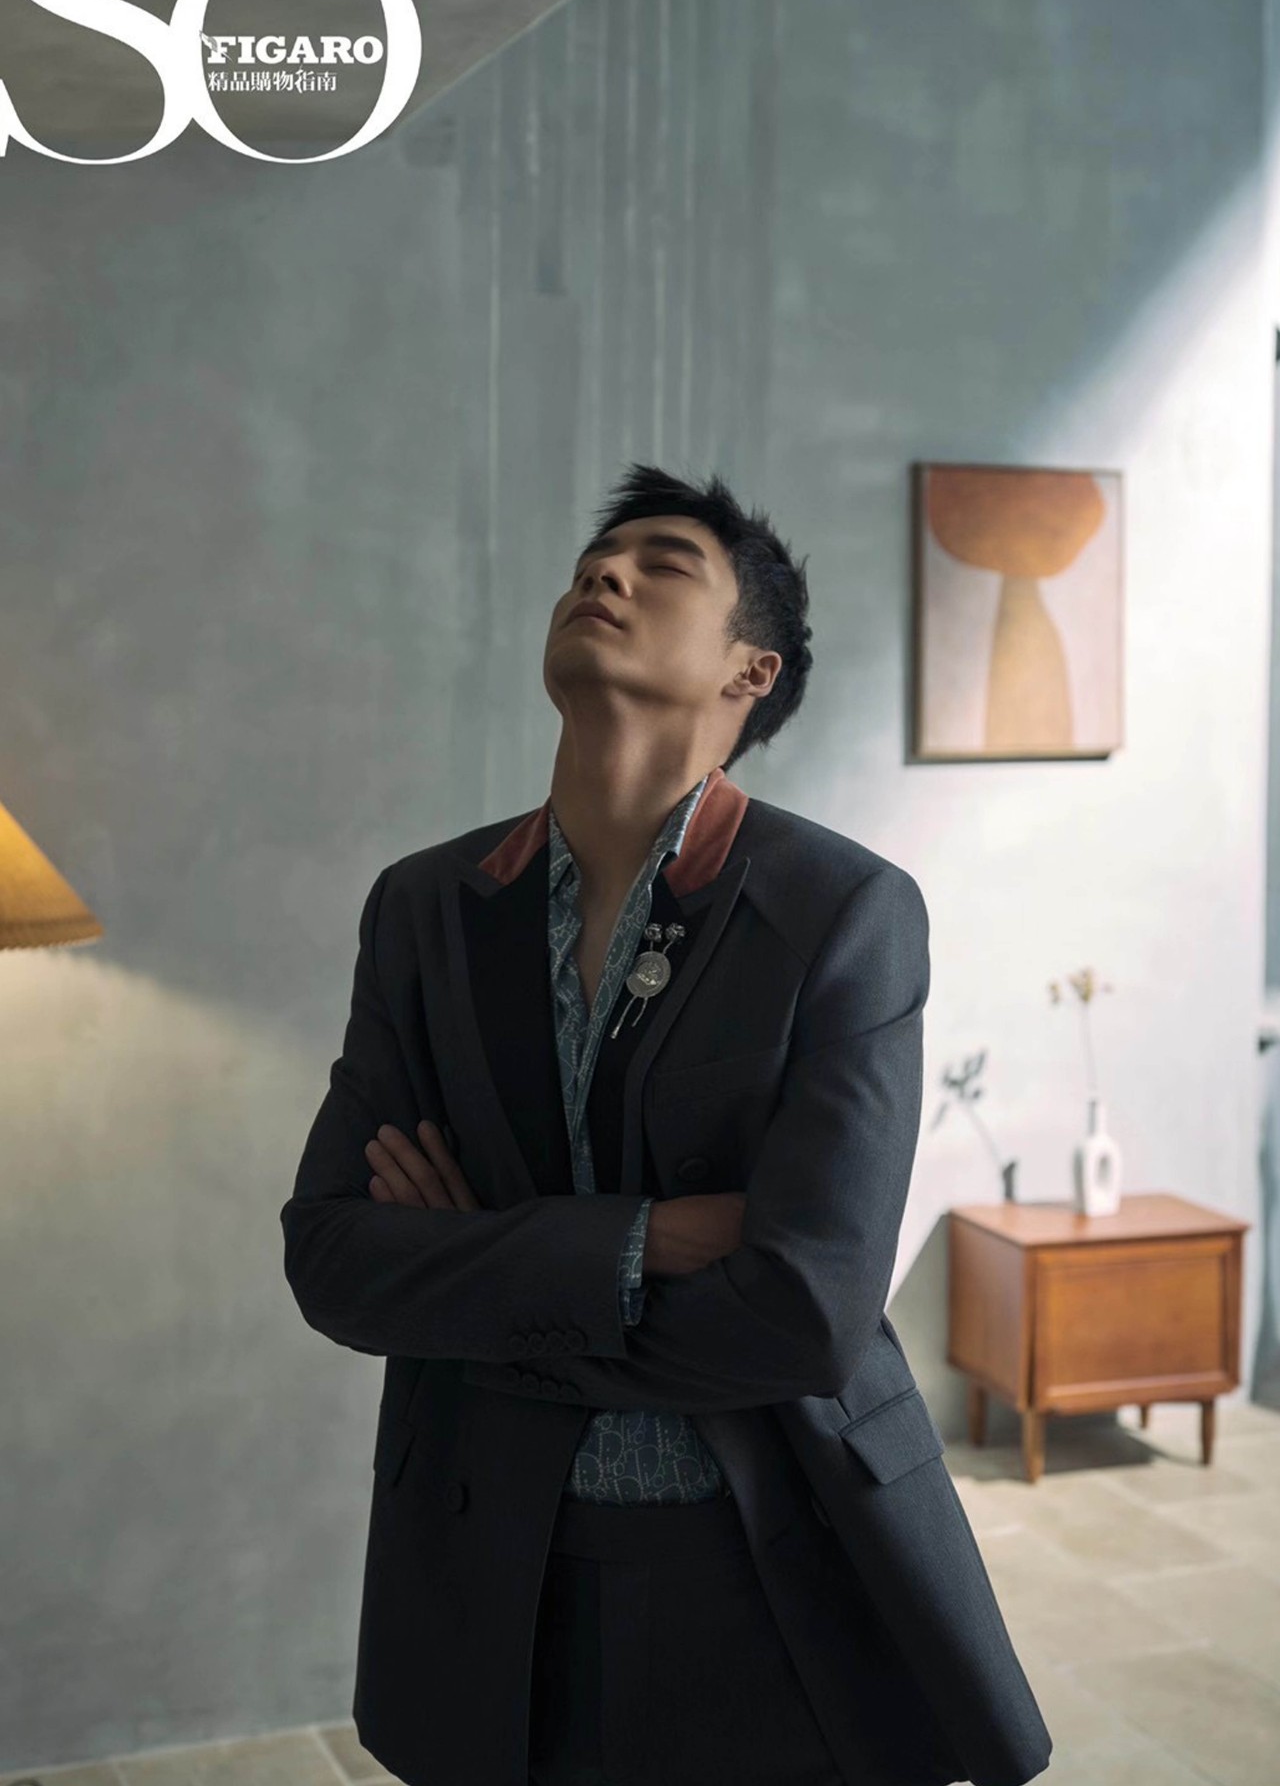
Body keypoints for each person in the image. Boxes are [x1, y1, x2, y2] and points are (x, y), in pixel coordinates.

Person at [281, 462, 1053, 1786]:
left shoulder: (844, 911)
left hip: (776, 1554)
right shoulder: (424, 908)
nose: (606, 572)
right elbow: (335, 1258)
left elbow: (806, 1315)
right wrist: (647, 1241)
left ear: (752, 672)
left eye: (665, 565)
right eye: (599, 558)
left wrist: (484, 1275)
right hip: (487, 1555)